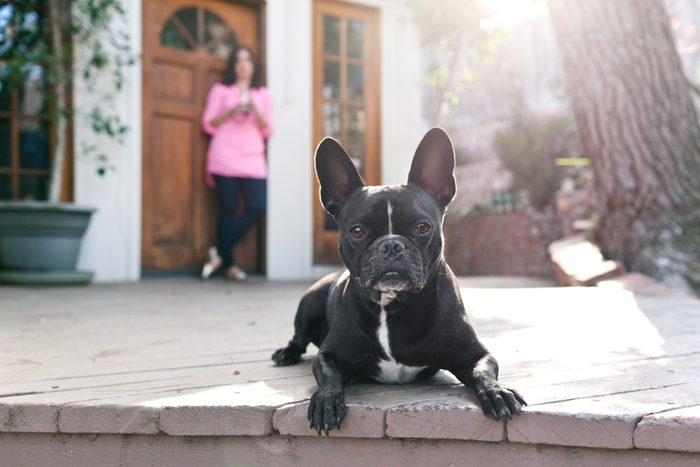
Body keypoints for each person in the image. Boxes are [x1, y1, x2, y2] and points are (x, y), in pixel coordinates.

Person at [200, 45, 273, 280]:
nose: (243, 64)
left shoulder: (263, 94)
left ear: (253, 65)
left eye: (247, 60)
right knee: (227, 210)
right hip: (224, 155)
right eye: (238, 60)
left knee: (257, 206)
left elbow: (268, 129)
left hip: (252, 156)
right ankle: (230, 265)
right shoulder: (221, 91)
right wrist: (230, 112)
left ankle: (218, 254)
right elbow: (208, 124)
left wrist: (256, 111)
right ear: (233, 66)